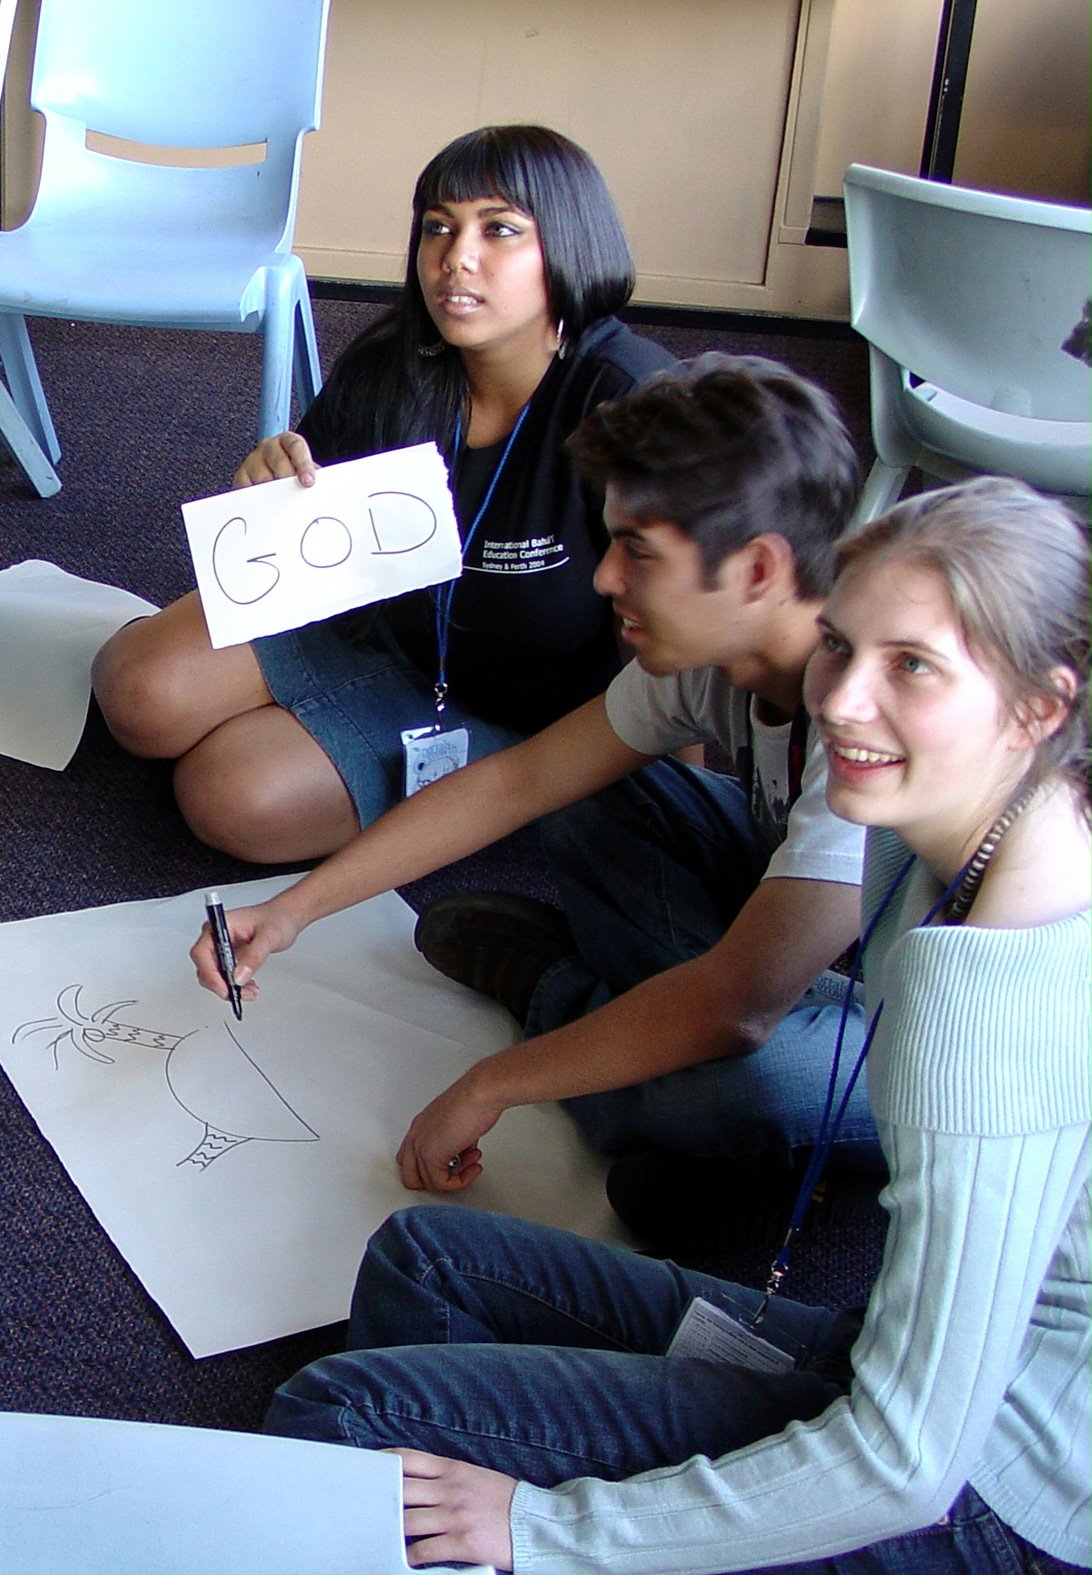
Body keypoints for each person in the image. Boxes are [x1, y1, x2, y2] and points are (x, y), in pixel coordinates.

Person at [266, 476, 1092, 1575]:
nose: (843, 702)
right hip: (937, 1362)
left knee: (349, 1419)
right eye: (842, 647)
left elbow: (907, 1462)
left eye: (916, 667)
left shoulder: (984, 1006)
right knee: (424, 1263)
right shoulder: (966, 824)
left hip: (997, 1506)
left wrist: (549, 1529)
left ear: (1041, 709)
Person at [190, 355, 875, 1225]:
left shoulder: (874, 722)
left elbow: (736, 1010)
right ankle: (661, 1076)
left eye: (637, 552)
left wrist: (494, 1082)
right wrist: (293, 911)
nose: (603, 579)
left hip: (956, 1036)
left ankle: (569, 1005)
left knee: (759, 1079)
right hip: (816, 919)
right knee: (592, 788)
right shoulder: (715, 655)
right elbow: (521, 779)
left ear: (758, 570)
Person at [93, 124, 674, 863]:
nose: (456, 258)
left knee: (229, 796)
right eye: (438, 226)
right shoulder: (398, 357)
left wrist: (662, 813)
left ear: (569, 243)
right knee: (135, 689)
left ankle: (457, 787)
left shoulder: (627, 400)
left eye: (499, 229)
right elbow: (309, 534)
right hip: (376, 622)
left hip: (521, 709)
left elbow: (683, 642)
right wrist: (278, 477)